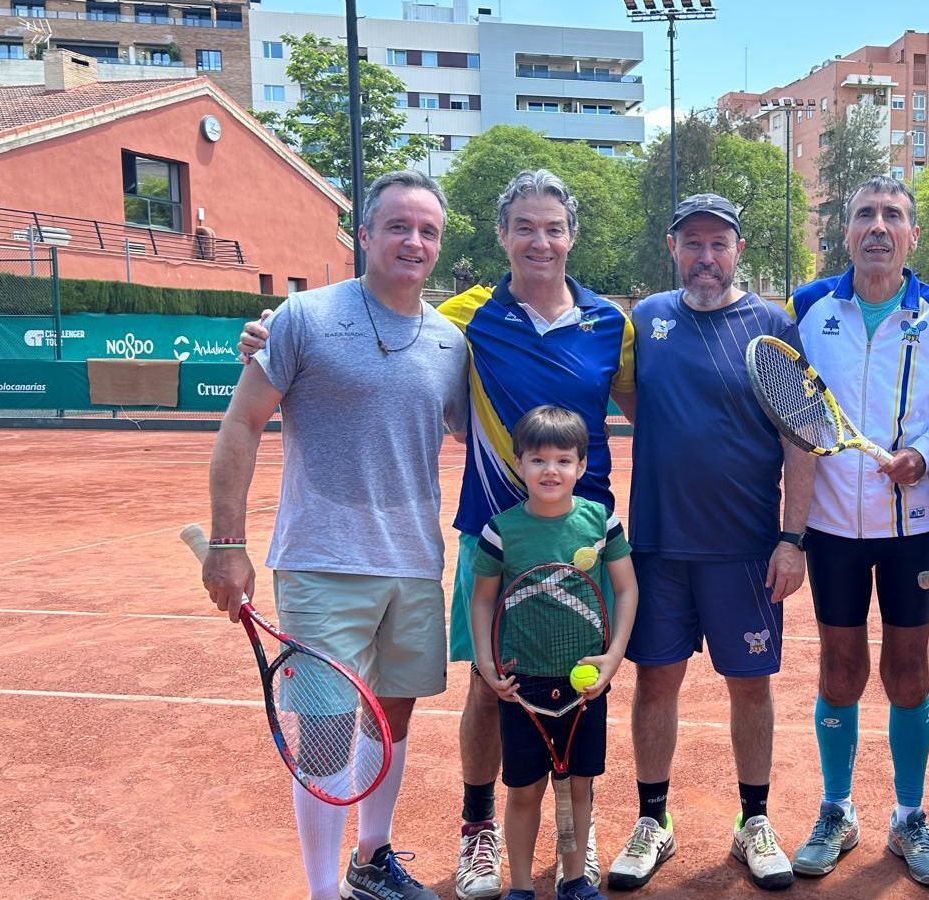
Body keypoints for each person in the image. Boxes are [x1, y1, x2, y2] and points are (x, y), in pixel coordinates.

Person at [238, 170, 634, 900]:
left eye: (553, 227)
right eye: (524, 227)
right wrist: (272, 331)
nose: (539, 240)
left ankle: (578, 832)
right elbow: (387, 317)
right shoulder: (462, 317)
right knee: (490, 686)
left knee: (582, 688)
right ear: (501, 235)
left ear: (572, 236)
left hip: (580, 545)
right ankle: (477, 830)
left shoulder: (612, 322)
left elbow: (650, 402)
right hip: (492, 541)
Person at [202, 169, 467, 900]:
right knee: (324, 734)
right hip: (320, 563)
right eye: (398, 226)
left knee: (393, 718)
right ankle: (325, 892)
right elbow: (241, 424)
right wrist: (228, 544)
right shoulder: (303, 318)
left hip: (415, 565)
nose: (413, 241)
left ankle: (371, 862)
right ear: (365, 234)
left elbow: (481, 436)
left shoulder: (450, 343)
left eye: (427, 231)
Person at [606, 194, 814, 893]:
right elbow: (637, 403)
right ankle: (653, 821)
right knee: (654, 683)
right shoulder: (648, 320)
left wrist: (793, 539)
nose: (706, 256)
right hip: (661, 547)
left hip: (747, 549)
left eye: (718, 244)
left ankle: (753, 820)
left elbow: (799, 439)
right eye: (692, 242)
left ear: (739, 250)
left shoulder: (773, 325)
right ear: (672, 248)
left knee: (749, 688)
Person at [783, 175, 929, 886]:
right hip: (830, 525)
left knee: (908, 670)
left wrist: (924, 450)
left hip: (912, 526)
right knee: (839, 667)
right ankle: (836, 809)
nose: (879, 227)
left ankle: (908, 815)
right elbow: (795, 409)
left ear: (913, 235)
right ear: (847, 231)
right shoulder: (807, 306)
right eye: (866, 215)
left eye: (894, 215)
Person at [466, 405, 638, 900]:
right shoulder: (501, 530)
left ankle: (574, 881)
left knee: (578, 788)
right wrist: (486, 662)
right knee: (523, 791)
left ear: (582, 466)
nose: (551, 471)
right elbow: (481, 601)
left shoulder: (601, 522)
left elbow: (627, 590)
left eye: (564, 460)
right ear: (519, 464)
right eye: (538, 460)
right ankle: (520, 887)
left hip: (585, 681)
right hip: (523, 686)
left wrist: (614, 656)